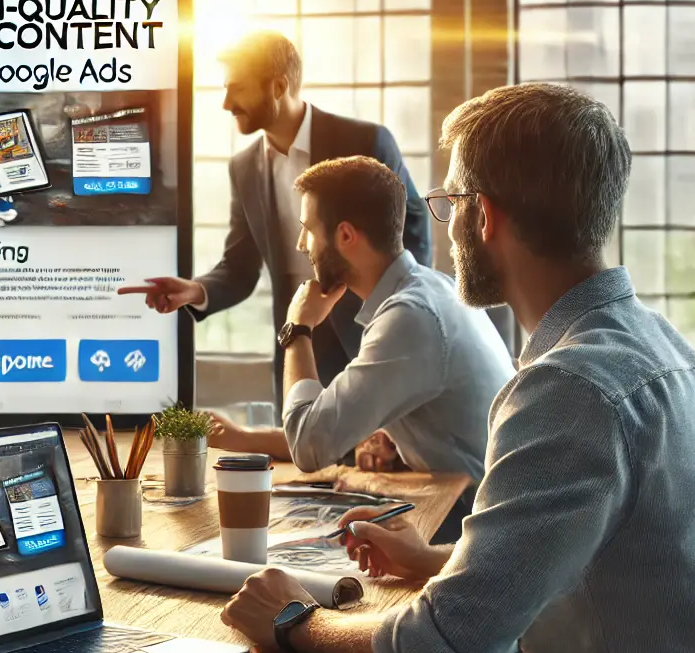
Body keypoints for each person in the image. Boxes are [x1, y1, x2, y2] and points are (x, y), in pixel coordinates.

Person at [220, 83, 695, 653]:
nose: (445, 226)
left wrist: (291, 617)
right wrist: (438, 559)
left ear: (483, 215)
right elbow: (603, 556)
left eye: (452, 203)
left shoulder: (568, 388)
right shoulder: (669, 352)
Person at [120, 29, 431, 392]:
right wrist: (194, 290)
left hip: (375, 340)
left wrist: (401, 315)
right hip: (299, 344)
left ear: (278, 87)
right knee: (296, 446)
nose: (226, 103)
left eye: (237, 88)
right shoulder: (244, 168)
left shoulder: (366, 142)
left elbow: (412, 229)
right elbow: (239, 267)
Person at [207, 156, 513, 488]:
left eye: (308, 229)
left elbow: (309, 446)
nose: (300, 244)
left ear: (346, 236)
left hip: (478, 526)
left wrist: (298, 328)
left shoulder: (409, 319)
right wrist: (243, 438)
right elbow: (328, 426)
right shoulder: (434, 289)